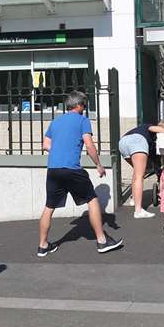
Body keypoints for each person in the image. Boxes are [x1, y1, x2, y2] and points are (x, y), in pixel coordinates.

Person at [35, 90, 122, 257]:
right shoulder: (83, 120)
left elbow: (45, 145)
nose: (84, 108)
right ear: (79, 105)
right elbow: (89, 145)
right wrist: (98, 165)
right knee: (92, 199)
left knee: (49, 206)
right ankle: (102, 241)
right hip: (72, 169)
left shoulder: (56, 122)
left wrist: (60, 150)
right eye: (84, 105)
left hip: (53, 170)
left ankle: (43, 245)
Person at [122, 116, 164, 218]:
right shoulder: (149, 127)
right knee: (140, 176)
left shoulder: (147, 134)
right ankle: (138, 211)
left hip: (123, 142)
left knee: (137, 173)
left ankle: (134, 199)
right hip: (137, 142)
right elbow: (153, 128)